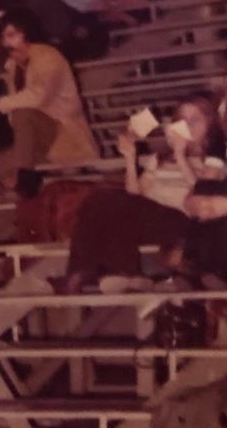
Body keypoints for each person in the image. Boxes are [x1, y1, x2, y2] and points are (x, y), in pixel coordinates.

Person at [66, 96, 225, 288]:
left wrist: (181, 156)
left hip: (183, 221)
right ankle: (100, 274)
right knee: (99, 200)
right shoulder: (159, 159)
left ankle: (85, 276)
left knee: (104, 201)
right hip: (150, 218)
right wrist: (130, 159)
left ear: (209, 122)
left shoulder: (214, 158)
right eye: (182, 120)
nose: (188, 125)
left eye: (195, 119)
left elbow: (201, 191)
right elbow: (134, 195)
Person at [0, 9, 98, 204]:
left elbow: (37, 97)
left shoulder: (48, 56)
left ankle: (25, 179)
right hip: (32, 145)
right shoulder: (13, 67)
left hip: (61, 135)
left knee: (23, 112)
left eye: (12, 36)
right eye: (3, 37)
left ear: (27, 33)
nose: (5, 43)